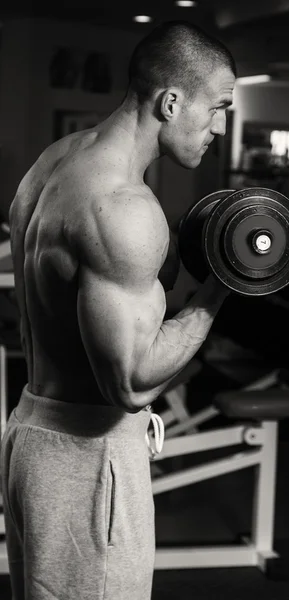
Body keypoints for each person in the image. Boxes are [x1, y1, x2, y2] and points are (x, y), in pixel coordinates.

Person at [0, 20, 236, 600]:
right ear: (172, 101)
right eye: (218, 107)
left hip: (31, 435)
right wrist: (221, 290)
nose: (222, 127)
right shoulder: (123, 208)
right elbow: (129, 385)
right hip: (88, 458)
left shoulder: (55, 163)